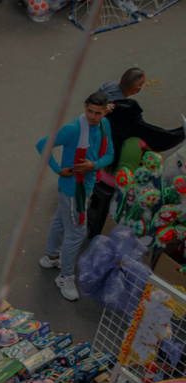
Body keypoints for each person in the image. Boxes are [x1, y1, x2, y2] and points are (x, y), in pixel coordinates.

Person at [88, 68, 185, 240]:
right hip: (113, 178)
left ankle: (95, 201)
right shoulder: (136, 139)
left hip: (93, 164)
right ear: (136, 89)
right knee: (147, 180)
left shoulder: (105, 105)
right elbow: (159, 141)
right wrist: (181, 132)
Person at [36, 93, 113, 302]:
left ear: (105, 111)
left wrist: (93, 165)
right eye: (90, 111)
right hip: (73, 191)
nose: (93, 117)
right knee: (77, 234)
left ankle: (52, 257)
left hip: (83, 187)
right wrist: (58, 169)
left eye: (98, 113)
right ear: (85, 106)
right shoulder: (73, 129)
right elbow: (42, 144)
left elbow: (109, 155)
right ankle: (65, 278)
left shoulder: (104, 124)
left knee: (61, 220)